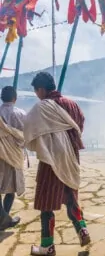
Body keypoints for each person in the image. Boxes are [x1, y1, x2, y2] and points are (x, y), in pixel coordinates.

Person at [23, 72, 90, 256]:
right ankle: (82, 229)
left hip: (50, 159)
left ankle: (47, 247)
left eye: (36, 91)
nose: (37, 94)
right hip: (71, 156)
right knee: (70, 197)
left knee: (47, 203)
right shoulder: (72, 104)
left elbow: (28, 127)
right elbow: (80, 125)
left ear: (42, 90)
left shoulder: (41, 107)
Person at [0, 86, 26, 231]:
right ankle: (4, 217)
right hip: (14, 156)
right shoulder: (21, 114)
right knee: (11, 190)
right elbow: (28, 134)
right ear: (14, 98)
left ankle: (3, 218)